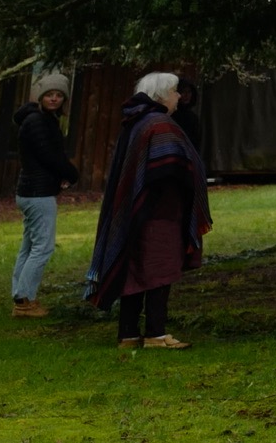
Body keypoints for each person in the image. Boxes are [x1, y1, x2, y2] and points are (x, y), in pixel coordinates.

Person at [86, 72, 211, 350]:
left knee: (134, 270)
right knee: (159, 270)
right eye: (176, 91)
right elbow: (169, 169)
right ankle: (156, 333)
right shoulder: (159, 124)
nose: (180, 96)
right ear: (162, 94)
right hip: (159, 211)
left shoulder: (136, 121)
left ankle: (128, 335)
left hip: (136, 208)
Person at [10, 72, 79, 318]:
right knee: (43, 247)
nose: (54, 99)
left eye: (59, 95)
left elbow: (49, 158)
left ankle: (21, 295)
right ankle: (24, 300)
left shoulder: (43, 119)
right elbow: (50, 156)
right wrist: (72, 174)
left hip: (32, 191)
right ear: (40, 96)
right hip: (37, 194)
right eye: (49, 94)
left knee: (29, 246)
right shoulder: (37, 122)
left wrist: (62, 174)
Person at [170, 78, 205, 161]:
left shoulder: (192, 117)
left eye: (189, 92)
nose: (186, 95)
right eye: (183, 92)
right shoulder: (171, 115)